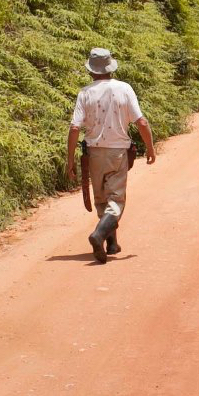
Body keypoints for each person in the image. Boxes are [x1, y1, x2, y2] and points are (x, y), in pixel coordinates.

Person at [66, 48, 156, 263]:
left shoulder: (85, 92)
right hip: (117, 153)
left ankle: (111, 244)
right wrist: (150, 148)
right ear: (110, 68)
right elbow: (141, 122)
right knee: (115, 199)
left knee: (101, 199)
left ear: (91, 70)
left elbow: (74, 128)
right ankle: (99, 234)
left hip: (94, 153)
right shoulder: (124, 89)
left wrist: (70, 160)